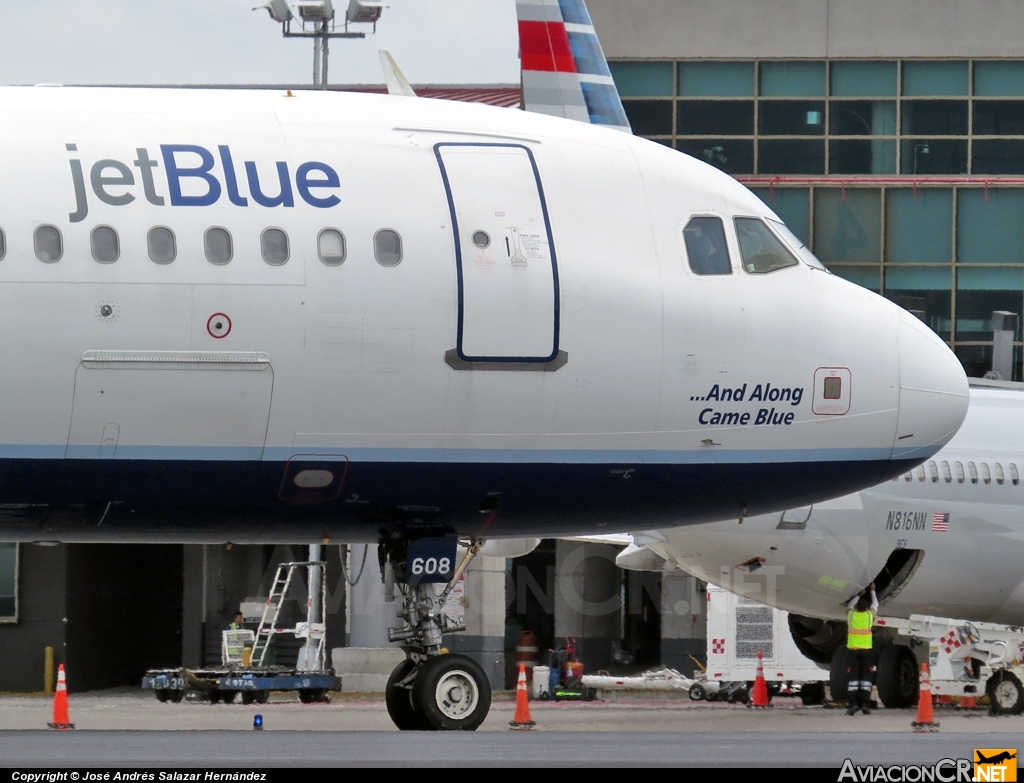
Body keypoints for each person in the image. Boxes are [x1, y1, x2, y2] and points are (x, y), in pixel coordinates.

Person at [845, 582, 878, 715]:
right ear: (866, 608)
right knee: (866, 679)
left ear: (857, 608)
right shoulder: (869, 616)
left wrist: (859, 595)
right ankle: (865, 705)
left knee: (853, 679)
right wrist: (872, 592)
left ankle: (853, 705)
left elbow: (849, 605)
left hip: (853, 652)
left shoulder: (851, 616)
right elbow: (876, 605)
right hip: (867, 652)